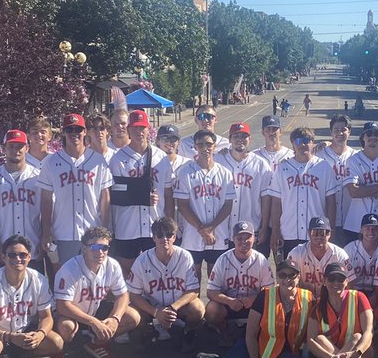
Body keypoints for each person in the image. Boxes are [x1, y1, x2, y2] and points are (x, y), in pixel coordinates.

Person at [206, 260, 311, 358]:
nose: (287, 279)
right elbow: (251, 333)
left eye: (292, 275)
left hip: (283, 354)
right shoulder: (265, 296)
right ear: (277, 277)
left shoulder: (309, 298)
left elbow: (311, 335)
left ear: (298, 277)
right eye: (283, 275)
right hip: (255, 347)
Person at [52, 226, 140, 358]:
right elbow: (62, 306)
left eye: (104, 247)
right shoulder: (69, 269)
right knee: (66, 327)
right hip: (73, 314)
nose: (100, 252)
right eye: (95, 247)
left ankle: (97, 343)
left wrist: (114, 318)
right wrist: (93, 322)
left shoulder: (112, 265)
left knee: (133, 317)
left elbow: (123, 295)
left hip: (96, 309)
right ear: (84, 248)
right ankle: (58, 354)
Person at [38, 113, 114, 268]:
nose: (74, 134)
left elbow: (104, 197)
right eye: (70, 130)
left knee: (94, 279)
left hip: (93, 231)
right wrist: (46, 232)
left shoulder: (98, 160)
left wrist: (105, 229)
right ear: (63, 132)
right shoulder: (51, 162)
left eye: (78, 129)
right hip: (64, 232)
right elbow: (46, 200)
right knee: (66, 280)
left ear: (85, 131)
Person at [128, 216, 206, 352]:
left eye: (169, 234)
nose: (165, 238)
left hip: (177, 305)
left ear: (174, 237)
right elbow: (134, 295)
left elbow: (194, 289)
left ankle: (187, 333)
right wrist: (156, 312)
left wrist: (173, 307)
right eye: (160, 235)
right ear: (153, 238)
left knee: (198, 308)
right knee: (131, 313)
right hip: (151, 306)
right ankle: (148, 331)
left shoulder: (184, 256)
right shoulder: (142, 260)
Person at [109, 109, 172, 274]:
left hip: (155, 223)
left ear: (148, 129)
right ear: (129, 129)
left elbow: (168, 193)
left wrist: (171, 223)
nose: (139, 132)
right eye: (135, 127)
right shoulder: (117, 159)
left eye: (142, 127)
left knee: (157, 270)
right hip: (127, 224)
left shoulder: (161, 158)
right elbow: (116, 193)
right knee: (128, 271)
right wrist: (140, 196)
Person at [304, 263, 375, 358]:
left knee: (357, 336)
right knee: (319, 339)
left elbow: (369, 332)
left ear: (346, 281)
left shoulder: (359, 298)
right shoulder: (319, 305)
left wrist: (355, 353)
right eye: (331, 279)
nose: (336, 283)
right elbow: (310, 340)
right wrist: (332, 357)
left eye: (340, 279)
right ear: (324, 281)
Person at [267, 126, 338, 257]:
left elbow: (331, 201)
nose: (303, 144)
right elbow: (276, 203)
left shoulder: (324, 167)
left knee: (315, 274)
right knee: (290, 273)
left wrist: (331, 229)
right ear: (293, 144)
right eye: (299, 141)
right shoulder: (282, 168)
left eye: (307, 140)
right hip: (288, 231)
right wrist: (275, 230)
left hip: (317, 232)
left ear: (313, 143)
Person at [0, 129, 44, 272]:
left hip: (32, 249)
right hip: (5, 251)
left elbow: (46, 212)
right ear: (4, 149)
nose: (16, 150)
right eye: (11, 146)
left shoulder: (38, 178)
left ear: (27, 148)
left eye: (20, 146)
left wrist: (44, 239)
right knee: (3, 293)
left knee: (34, 292)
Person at [174, 129, 236, 272]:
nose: (204, 148)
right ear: (195, 147)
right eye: (200, 145)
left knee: (215, 279)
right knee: (192, 280)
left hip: (218, 234)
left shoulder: (225, 173)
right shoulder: (184, 172)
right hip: (192, 235)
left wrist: (211, 228)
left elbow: (228, 205)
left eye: (208, 144)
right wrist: (202, 229)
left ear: (214, 146)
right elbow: (182, 205)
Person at [205, 221, 274, 343]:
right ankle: (226, 330)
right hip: (229, 304)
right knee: (211, 310)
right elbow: (211, 291)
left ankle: (257, 334)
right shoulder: (223, 260)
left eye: (248, 237)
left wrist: (254, 299)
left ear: (254, 238)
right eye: (239, 238)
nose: (244, 241)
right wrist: (229, 301)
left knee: (273, 307)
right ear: (233, 239)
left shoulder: (261, 260)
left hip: (254, 306)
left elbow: (271, 291)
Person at [217, 122, 274, 256]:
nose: (240, 139)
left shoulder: (261, 165)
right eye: (236, 136)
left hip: (251, 230)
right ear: (230, 139)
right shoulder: (218, 160)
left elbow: (266, 199)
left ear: (250, 139)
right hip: (223, 230)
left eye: (244, 136)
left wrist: (264, 228)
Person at [342, 122, 378, 245]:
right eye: (369, 133)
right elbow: (354, 192)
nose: (372, 137)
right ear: (363, 137)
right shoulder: (353, 160)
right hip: (356, 225)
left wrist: (364, 189)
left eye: (377, 134)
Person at [287, 216, 352, 296]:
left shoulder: (340, 255)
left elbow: (350, 284)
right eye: (315, 232)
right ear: (308, 233)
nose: (319, 236)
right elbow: (286, 280)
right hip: (303, 299)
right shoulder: (296, 253)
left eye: (324, 233)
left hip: (331, 299)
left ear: (330, 234)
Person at [318, 113, 358, 240]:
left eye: (343, 130)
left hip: (352, 219)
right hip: (326, 220)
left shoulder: (357, 157)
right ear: (331, 132)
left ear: (349, 132)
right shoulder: (319, 157)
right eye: (336, 130)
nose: (340, 133)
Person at [348, 213, 378, 293]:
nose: (371, 231)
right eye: (367, 228)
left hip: (377, 293)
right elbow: (345, 281)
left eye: (375, 228)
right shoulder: (350, 249)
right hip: (354, 291)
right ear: (361, 230)